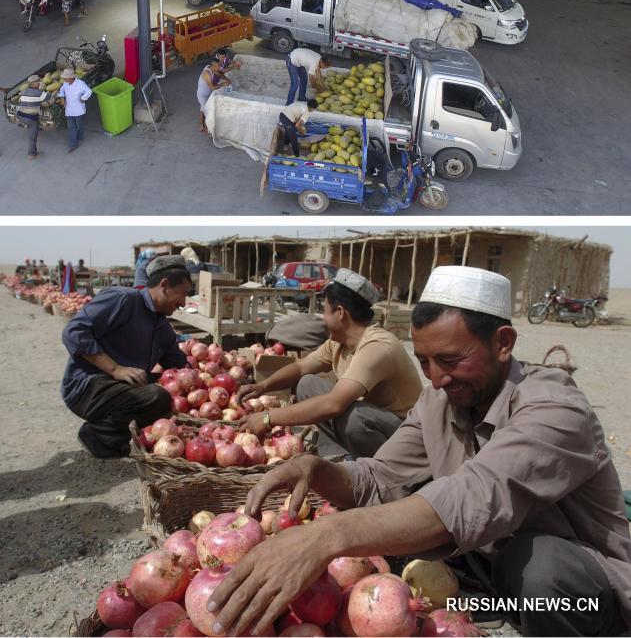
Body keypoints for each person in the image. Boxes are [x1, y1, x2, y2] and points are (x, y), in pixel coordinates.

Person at [208, 266, 631, 638]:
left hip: (583, 593)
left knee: (542, 569)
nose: (437, 379)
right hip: (492, 573)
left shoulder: (555, 408)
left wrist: (325, 536)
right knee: (398, 542)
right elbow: (379, 478)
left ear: (503, 342)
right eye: (424, 361)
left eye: (451, 359)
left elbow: (475, 495)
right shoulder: (440, 400)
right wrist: (316, 469)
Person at [239, 269, 422, 459]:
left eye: (324, 311)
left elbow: (334, 404)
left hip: (402, 435)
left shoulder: (377, 346)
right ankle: (340, 457)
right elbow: (301, 367)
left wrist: (268, 418)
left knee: (354, 418)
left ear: (340, 312)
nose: (322, 318)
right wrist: (262, 387)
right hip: (374, 422)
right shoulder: (339, 342)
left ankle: (378, 470)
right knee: (307, 383)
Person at [61, 255, 192, 459]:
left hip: (118, 388)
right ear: (164, 285)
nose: (183, 303)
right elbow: (74, 332)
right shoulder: (123, 299)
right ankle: (99, 435)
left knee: (163, 390)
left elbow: (179, 363)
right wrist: (116, 369)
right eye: (182, 294)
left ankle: (114, 433)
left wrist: (204, 379)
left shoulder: (162, 326)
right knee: (157, 396)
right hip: (88, 386)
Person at [15, 74, 52, 160]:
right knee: (32, 138)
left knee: (34, 120)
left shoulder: (23, 91)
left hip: (20, 115)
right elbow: (51, 99)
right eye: (38, 83)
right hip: (30, 119)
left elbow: (21, 101)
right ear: (34, 84)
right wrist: (46, 103)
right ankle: (31, 154)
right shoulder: (39, 93)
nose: (39, 84)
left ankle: (32, 126)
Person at [57, 68, 93, 153]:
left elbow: (89, 91)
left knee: (79, 125)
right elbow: (62, 89)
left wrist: (83, 98)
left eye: (65, 78)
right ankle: (73, 144)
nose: (64, 79)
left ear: (70, 77)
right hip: (69, 110)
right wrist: (62, 98)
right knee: (71, 127)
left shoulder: (80, 84)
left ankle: (80, 137)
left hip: (78, 110)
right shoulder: (65, 83)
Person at [196, 60, 232, 132]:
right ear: (213, 66)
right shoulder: (207, 73)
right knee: (208, 113)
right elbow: (212, 87)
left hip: (207, 94)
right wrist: (224, 84)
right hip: (202, 96)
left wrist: (227, 79)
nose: (220, 67)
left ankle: (202, 125)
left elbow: (219, 74)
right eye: (218, 65)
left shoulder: (212, 68)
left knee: (202, 109)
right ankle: (208, 129)